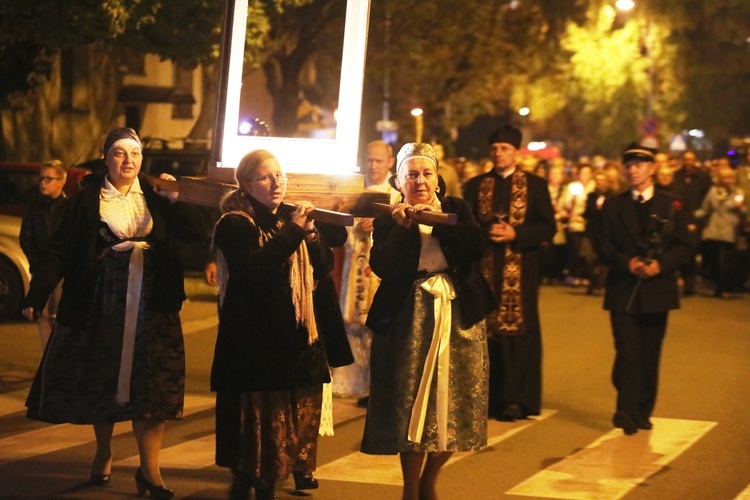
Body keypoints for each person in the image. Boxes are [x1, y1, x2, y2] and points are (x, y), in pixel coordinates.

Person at [21, 127, 199, 497]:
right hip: (103, 300)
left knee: (153, 383)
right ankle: (104, 449)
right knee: (103, 376)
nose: (128, 161)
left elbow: (195, 235)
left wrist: (177, 198)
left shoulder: (156, 197)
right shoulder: (85, 201)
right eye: (119, 153)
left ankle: (150, 470)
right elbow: (59, 252)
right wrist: (36, 295)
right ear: (105, 158)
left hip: (153, 302)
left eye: (134, 154)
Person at [211, 149, 351, 500]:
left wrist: (312, 236)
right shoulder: (235, 223)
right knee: (260, 427)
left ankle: (257, 480)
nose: (277, 183)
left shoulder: (285, 221)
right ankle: (251, 480)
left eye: (279, 175)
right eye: (265, 177)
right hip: (255, 344)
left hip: (296, 341)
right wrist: (293, 232)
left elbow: (319, 269)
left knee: (295, 419)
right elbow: (255, 269)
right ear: (245, 184)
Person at [360, 142, 494, 500]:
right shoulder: (389, 218)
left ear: (437, 179)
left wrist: (438, 224)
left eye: (426, 173)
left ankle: (430, 479)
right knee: (411, 403)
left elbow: (479, 247)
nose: (420, 180)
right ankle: (410, 489)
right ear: (400, 181)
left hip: (457, 311)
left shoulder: (456, 208)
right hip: (409, 314)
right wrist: (405, 227)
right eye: (412, 175)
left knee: (459, 399)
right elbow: (383, 266)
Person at [591, 143, 692, 435]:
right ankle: (625, 411)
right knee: (626, 351)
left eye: (639, 165)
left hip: (657, 289)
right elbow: (603, 245)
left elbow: (685, 244)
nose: (633, 170)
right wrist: (628, 262)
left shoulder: (671, 204)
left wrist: (662, 264)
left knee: (649, 353)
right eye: (629, 166)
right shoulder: (613, 205)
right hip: (623, 288)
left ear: (652, 169)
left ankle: (643, 410)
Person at [463, 125, 556, 422]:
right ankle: (483, 396)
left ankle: (516, 398)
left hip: (520, 271)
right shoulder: (477, 185)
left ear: (516, 152)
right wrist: (482, 233)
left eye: (505, 149)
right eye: (494, 149)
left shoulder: (535, 185)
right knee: (484, 333)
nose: (499, 154)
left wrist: (516, 232)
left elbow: (547, 227)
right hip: (485, 270)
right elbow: (465, 225)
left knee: (518, 334)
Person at [333, 140, 399, 407]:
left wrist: (383, 223)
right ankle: (355, 383)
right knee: (352, 324)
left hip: (380, 273)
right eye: (369, 160)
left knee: (378, 329)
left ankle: (379, 387)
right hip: (353, 265)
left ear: (390, 162)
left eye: (379, 161)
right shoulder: (354, 191)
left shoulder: (396, 195)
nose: (373, 166)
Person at [19, 159, 68, 350]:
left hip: (62, 271)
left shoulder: (68, 206)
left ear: (61, 181)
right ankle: (47, 356)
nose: (43, 183)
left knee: (59, 315)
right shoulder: (35, 207)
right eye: (41, 178)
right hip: (40, 269)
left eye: (48, 178)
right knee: (42, 314)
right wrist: (36, 262)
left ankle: (60, 355)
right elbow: (26, 237)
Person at [694, 166, 747, 297]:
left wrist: (741, 208)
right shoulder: (713, 192)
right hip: (714, 230)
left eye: (730, 177)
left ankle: (725, 287)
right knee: (715, 260)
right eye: (725, 178)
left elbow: (745, 213)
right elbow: (704, 209)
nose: (727, 180)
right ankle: (718, 287)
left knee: (727, 261)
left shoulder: (738, 193)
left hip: (730, 230)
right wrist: (690, 218)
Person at [671, 151, 712, 295]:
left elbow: (706, 201)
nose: (688, 162)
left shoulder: (703, 177)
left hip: (696, 219)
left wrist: (696, 220)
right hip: (678, 218)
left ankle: (690, 285)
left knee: (692, 251)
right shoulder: (676, 176)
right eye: (686, 159)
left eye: (691, 160)